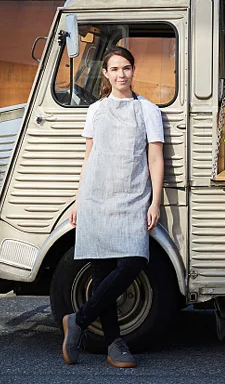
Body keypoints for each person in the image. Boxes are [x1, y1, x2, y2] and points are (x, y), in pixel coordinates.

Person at [61, 47, 165, 368]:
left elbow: (155, 158)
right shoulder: (95, 110)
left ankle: (78, 320)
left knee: (133, 262)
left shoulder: (148, 110)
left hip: (133, 197)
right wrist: (79, 199)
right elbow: (88, 157)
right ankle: (114, 344)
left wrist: (155, 201)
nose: (121, 74)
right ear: (106, 74)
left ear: (134, 71)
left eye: (127, 68)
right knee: (102, 272)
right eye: (115, 69)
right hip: (96, 197)